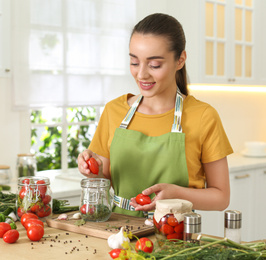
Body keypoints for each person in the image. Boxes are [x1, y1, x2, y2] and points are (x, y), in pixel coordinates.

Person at [77, 13, 233, 217]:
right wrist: (91, 169)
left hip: (175, 236)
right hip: (118, 232)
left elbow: (221, 198)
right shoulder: (114, 111)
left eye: (154, 65)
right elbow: (103, 181)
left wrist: (176, 194)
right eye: (134, 62)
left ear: (180, 60)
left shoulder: (203, 116)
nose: (141, 74)